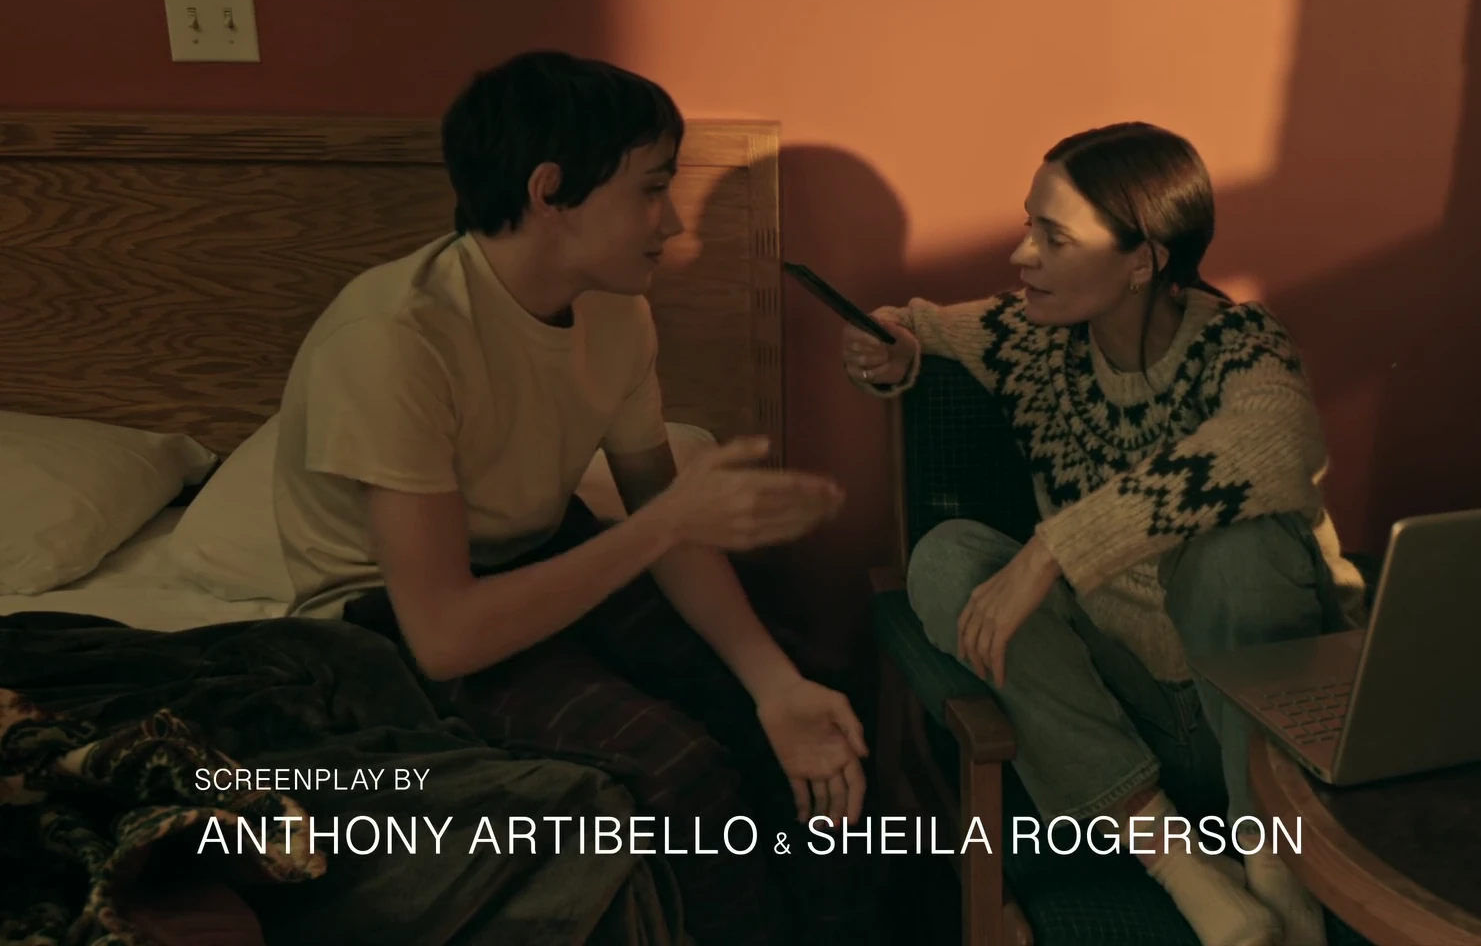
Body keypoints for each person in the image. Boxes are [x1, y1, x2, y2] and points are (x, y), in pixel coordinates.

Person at [273, 50, 875, 945]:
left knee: (807, 692)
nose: (672, 221)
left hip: (543, 549)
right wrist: (663, 524)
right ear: (550, 190)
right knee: (672, 772)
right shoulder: (395, 338)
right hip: (389, 619)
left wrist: (775, 685)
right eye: (652, 189)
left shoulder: (613, 307)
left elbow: (664, 519)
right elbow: (443, 635)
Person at [842, 122, 1365, 946]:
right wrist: (895, 348)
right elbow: (918, 327)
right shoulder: (1030, 339)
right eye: (1029, 226)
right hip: (1119, 721)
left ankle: (1278, 871)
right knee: (944, 560)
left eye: (1054, 238)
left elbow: (1275, 445)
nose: (1021, 254)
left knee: (1237, 548)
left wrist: (1056, 551)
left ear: (1144, 260)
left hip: (1263, 721)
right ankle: (1184, 869)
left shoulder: (1241, 342)